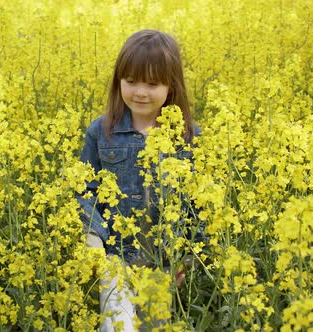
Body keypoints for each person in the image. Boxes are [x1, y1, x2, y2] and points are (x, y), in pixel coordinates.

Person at [77, 29, 201, 331]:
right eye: (131, 81)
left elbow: (197, 203)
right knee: (117, 326)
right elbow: (84, 190)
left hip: (161, 262)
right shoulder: (101, 131)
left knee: (153, 326)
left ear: (171, 86)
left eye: (152, 83)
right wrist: (92, 240)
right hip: (114, 256)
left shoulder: (187, 137)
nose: (140, 92)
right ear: (118, 81)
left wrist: (187, 257)